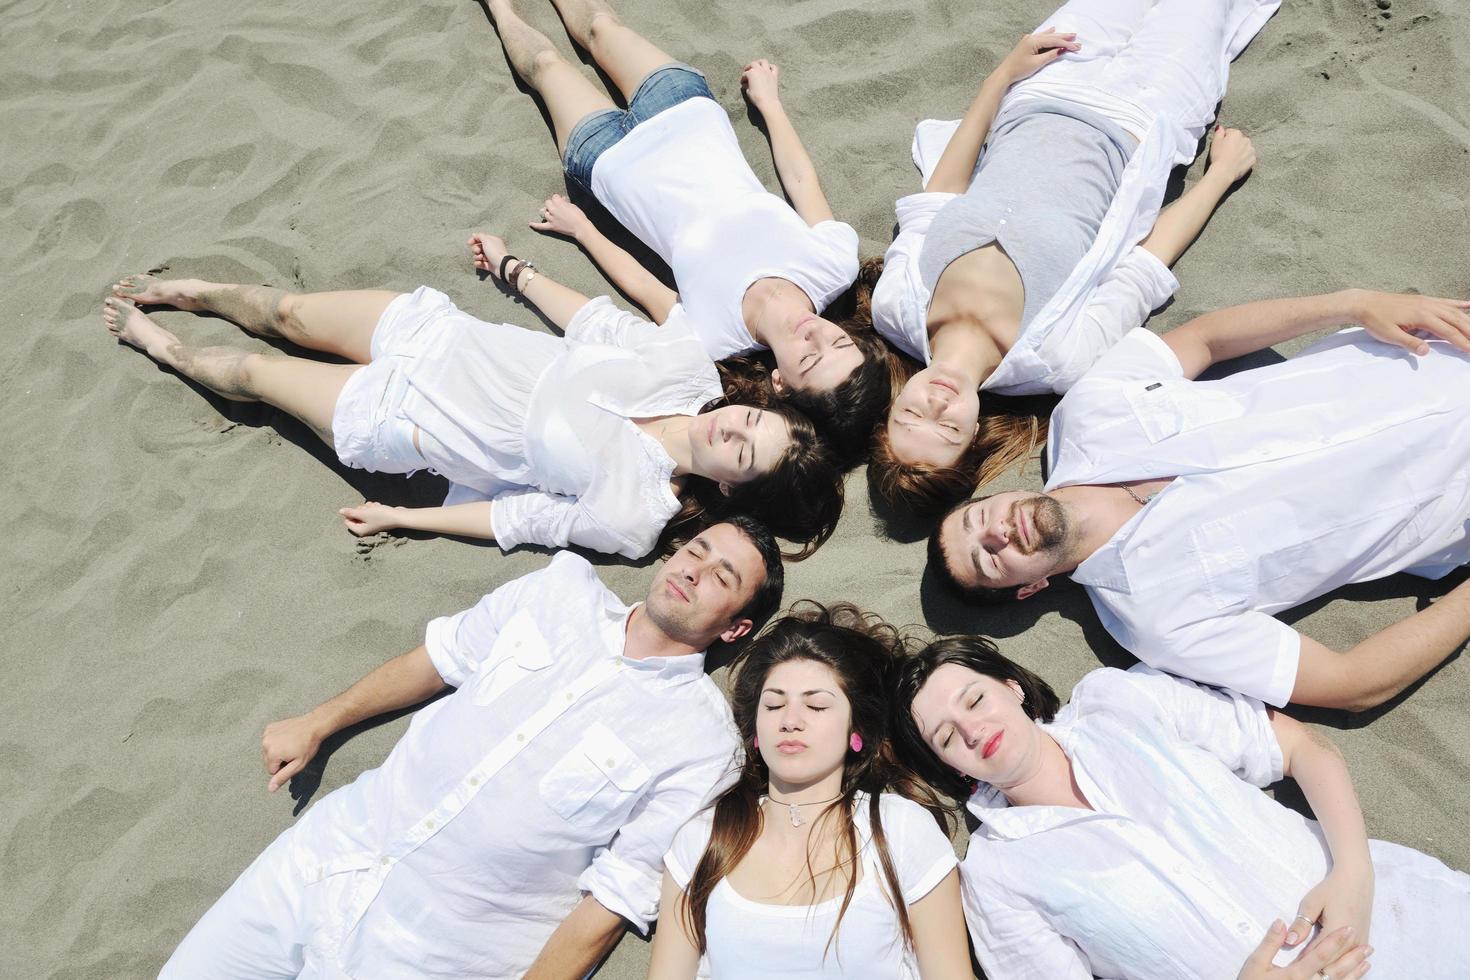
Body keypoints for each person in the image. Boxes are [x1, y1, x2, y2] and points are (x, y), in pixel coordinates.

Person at [161, 518, 783, 979]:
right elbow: (438, 660)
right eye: (696, 549)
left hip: (437, 950)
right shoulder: (558, 591)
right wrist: (321, 720)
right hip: (334, 852)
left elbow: (612, 903)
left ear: (735, 627)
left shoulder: (701, 744)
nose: (694, 568)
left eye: (721, 576)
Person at [104, 242, 843, 560]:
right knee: (289, 313)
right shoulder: (685, 368)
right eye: (750, 420)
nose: (731, 429)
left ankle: (160, 348)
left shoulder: (635, 513)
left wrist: (406, 515)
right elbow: (591, 319)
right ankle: (195, 291)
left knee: (260, 378)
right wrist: (517, 270)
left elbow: (517, 518)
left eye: (744, 452)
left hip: (409, 422)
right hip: (440, 336)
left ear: (729, 485)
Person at [929, 287, 1470, 712]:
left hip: (1435, 351)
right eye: (989, 557)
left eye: (980, 518)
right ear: (1029, 588)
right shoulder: (1159, 622)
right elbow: (1352, 683)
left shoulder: (1089, 411)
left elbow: (1205, 339)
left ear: (1001, 494)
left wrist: (1355, 303)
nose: (997, 532)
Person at [867, 0, 1278, 516]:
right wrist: (1219, 177)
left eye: (911, 417)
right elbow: (1146, 266)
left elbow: (938, 196)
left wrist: (1002, 77)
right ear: (975, 433)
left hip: (1040, 87)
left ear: (890, 410)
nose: (937, 404)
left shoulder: (896, 306)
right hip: (1144, 115)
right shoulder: (1057, 358)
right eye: (948, 428)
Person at [891, 638, 1470, 978]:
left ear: (1012, 685)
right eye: (946, 737)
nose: (972, 729)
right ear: (954, 768)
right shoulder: (996, 877)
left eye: (975, 699)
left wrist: (1353, 870)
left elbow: (1300, 748)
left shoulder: (1118, 701)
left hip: (1415, 922)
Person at [478, 0, 893, 457]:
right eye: (836, 340)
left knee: (545, 64)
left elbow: (643, 287)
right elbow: (800, 180)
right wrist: (769, 105)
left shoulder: (712, 339)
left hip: (607, 162)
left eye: (810, 358)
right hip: (684, 109)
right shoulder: (833, 265)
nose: (813, 333)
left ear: (781, 382)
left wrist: (582, 230)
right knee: (599, 26)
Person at [648, 603, 971, 979]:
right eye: (773, 704)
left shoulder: (900, 829)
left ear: (857, 734)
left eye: (816, 705)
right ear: (754, 735)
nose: (790, 721)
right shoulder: (703, 839)